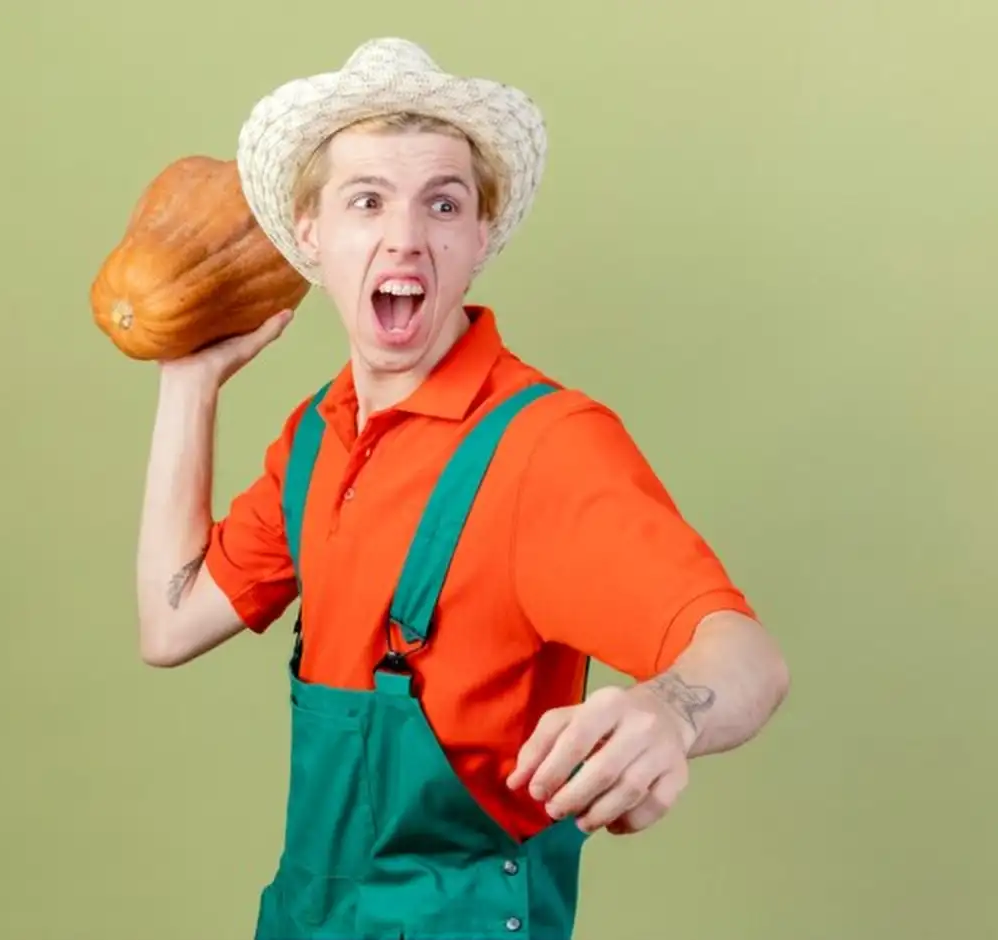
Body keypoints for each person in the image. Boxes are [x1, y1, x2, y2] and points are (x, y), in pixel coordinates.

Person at [134, 36, 790, 940]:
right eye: (367, 201)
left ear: (479, 237)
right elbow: (169, 624)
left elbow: (747, 659)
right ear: (313, 234)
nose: (404, 236)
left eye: (441, 204)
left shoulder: (545, 448)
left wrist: (663, 710)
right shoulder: (319, 440)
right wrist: (189, 383)